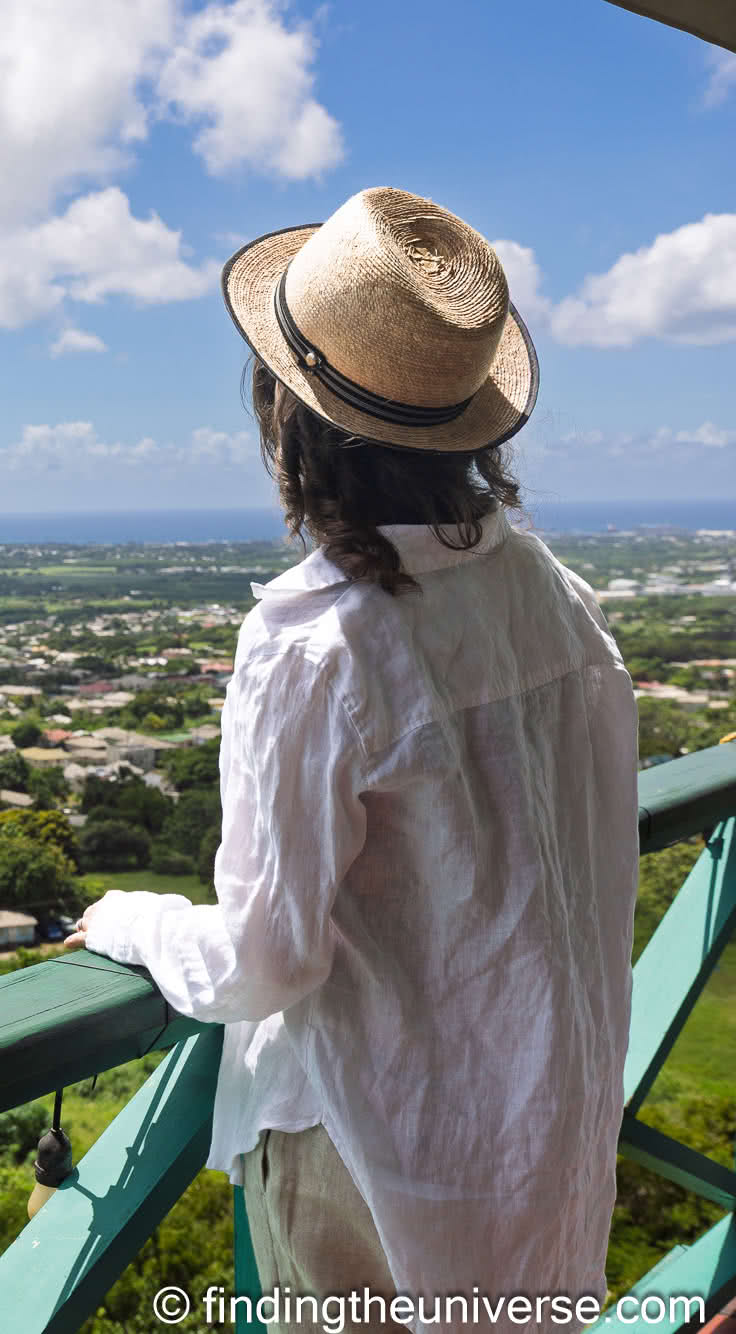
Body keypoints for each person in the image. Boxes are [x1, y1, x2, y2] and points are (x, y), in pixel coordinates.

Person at [66, 187, 639, 1334]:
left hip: (372, 1141)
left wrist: (131, 920)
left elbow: (264, 958)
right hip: (537, 1129)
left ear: (285, 412)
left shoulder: (318, 643)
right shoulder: (554, 599)